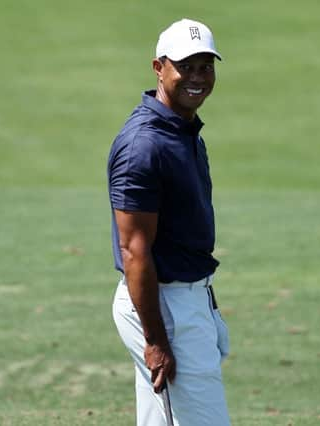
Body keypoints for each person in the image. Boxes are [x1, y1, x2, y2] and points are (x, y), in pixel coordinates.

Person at [108, 19, 231, 425]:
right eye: (185, 66)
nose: (197, 78)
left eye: (205, 66)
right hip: (164, 308)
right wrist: (156, 340)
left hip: (183, 301)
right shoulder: (144, 145)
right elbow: (134, 250)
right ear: (158, 67)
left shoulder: (181, 130)